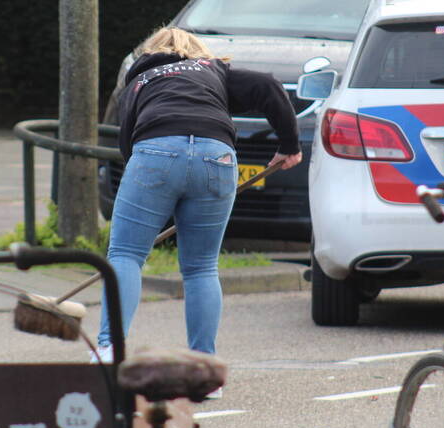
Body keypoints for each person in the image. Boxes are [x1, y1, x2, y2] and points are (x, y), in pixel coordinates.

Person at [94, 27, 301, 387]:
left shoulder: (140, 79)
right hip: (216, 155)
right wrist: (289, 144)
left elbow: (127, 140)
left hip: (155, 152)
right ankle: (204, 375)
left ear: (150, 52)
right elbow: (269, 86)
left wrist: (156, 187)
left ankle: (110, 353)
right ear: (199, 52)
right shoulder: (214, 72)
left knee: (126, 254)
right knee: (201, 268)